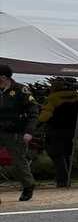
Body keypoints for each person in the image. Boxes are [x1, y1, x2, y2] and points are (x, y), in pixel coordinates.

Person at [39, 78, 78, 188]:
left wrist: (37, 123)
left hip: (55, 130)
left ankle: (62, 180)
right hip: (72, 130)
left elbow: (45, 116)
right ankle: (67, 177)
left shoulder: (53, 98)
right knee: (66, 153)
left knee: (56, 154)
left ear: (54, 87)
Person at [0, 64, 39, 201]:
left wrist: (29, 131)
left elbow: (33, 112)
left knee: (18, 162)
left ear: (3, 77)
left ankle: (28, 186)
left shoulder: (20, 90)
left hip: (15, 132)